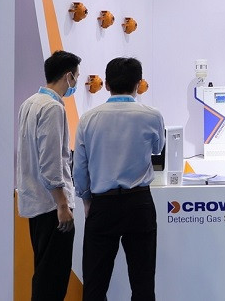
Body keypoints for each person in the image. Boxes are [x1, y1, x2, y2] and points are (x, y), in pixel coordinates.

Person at [73, 57, 165, 300]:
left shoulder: (88, 118)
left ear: (106, 84)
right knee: (143, 282)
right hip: (139, 203)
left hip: (102, 204)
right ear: (138, 84)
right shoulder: (152, 115)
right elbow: (158, 148)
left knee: (95, 284)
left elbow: (79, 167)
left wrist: (86, 199)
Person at [17, 50, 81, 301]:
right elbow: (51, 161)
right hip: (52, 206)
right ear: (68, 76)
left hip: (35, 202)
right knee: (53, 278)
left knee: (44, 272)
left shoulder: (30, 103)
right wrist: (62, 205)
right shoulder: (53, 108)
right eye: (76, 77)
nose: (75, 83)